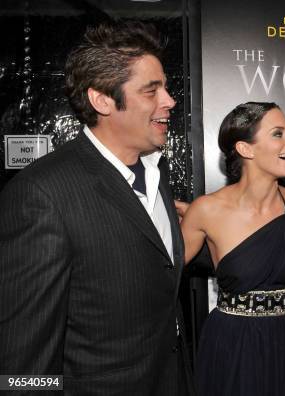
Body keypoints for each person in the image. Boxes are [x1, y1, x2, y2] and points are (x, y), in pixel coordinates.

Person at [0, 22, 194, 395]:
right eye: (151, 91)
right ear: (102, 100)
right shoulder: (41, 195)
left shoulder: (156, 171)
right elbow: (21, 363)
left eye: (165, 88)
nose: (169, 100)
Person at [180, 102, 285, 395]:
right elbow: (160, 274)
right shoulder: (206, 210)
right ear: (246, 149)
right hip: (233, 343)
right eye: (278, 134)